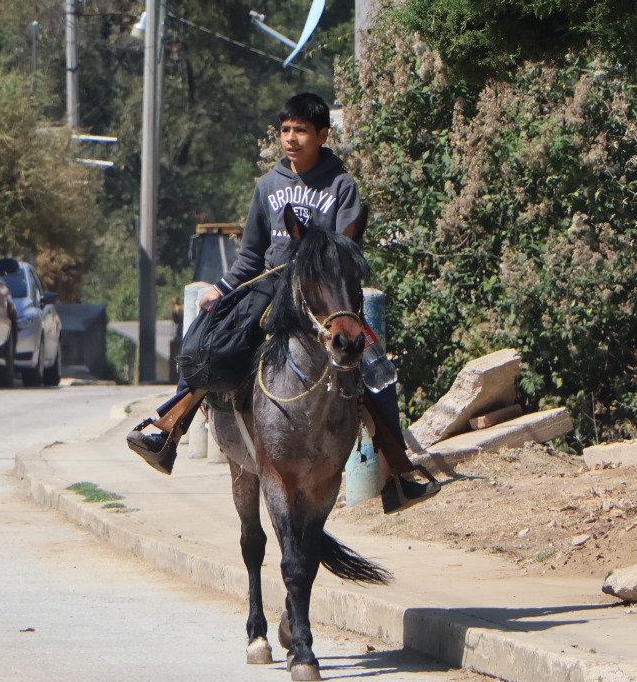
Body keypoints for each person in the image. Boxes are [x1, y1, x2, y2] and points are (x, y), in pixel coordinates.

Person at [125, 92, 439, 512]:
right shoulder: (268, 186)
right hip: (271, 286)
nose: (291, 138)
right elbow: (250, 256)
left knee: (376, 370)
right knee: (211, 337)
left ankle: (398, 474)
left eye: (301, 131)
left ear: (322, 135)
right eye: (286, 130)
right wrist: (221, 288)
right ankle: (169, 428)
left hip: (324, 296)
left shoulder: (342, 186)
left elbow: (346, 250)